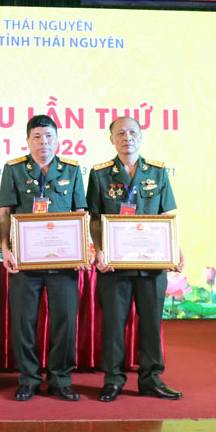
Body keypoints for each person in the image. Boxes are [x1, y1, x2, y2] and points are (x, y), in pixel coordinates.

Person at [87, 116, 185, 402]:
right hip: (114, 265)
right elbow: (95, 218)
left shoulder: (157, 172)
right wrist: (99, 249)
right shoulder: (100, 174)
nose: (126, 137)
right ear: (111, 139)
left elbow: (165, 215)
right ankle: (113, 379)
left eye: (132, 132)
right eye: (120, 133)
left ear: (140, 137)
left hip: (151, 265)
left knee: (151, 323)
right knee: (114, 324)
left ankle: (151, 378)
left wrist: (175, 249)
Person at [0, 115, 87, 402]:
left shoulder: (71, 170)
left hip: (63, 262)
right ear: (28, 140)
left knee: (65, 321)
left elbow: (80, 213)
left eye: (49, 136)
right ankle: (29, 379)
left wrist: (81, 250)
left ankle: (61, 379)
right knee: (24, 322)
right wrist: (5, 248)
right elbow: (4, 213)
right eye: (37, 136)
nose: (43, 142)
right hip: (25, 262)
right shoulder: (13, 169)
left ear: (57, 140)